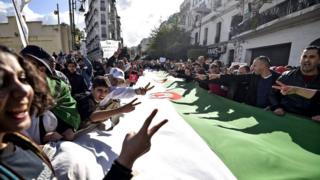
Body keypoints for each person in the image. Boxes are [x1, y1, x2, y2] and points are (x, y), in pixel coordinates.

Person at [0, 45, 168, 179]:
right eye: (2, 81)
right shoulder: (81, 98)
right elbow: (92, 115)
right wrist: (125, 161)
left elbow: (118, 92)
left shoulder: (21, 146)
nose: (23, 89)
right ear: (93, 89)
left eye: (22, 77)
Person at [20, 45, 81, 141]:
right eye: (27, 63)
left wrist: (66, 129)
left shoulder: (56, 85)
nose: (30, 70)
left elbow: (70, 111)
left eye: (40, 68)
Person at [197, 56, 280, 108]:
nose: (252, 68)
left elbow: (282, 97)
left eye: (254, 65)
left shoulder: (279, 78)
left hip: (269, 114)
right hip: (254, 111)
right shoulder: (253, 76)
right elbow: (235, 78)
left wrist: (275, 107)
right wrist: (211, 77)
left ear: (263, 65)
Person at [269, 46, 320, 120]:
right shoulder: (286, 75)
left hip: (312, 122)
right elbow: (272, 93)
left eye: (312, 57)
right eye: (304, 56)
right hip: (287, 117)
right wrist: (276, 107)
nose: (306, 60)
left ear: (319, 60)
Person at [76, 76, 141, 129]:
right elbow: (92, 116)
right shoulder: (86, 99)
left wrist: (137, 91)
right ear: (92, 89)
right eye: (99, 90)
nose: (103, 94)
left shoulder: (95, 99)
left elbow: (121, 91)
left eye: (106, 91)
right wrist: (121, 110)